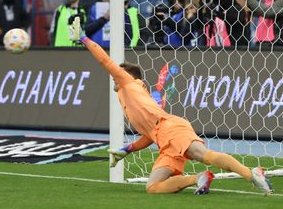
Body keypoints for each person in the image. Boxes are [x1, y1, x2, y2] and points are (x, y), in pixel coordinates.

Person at [69, 17, 273, 195]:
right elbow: (150, 134)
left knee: (204, 155)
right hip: (164, 140)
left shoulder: (129, 84)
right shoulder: (131, 98)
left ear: (129, 77)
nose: (115, 78)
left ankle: (251, 174)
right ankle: (199, 178)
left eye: (119, 75)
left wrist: (84, 39)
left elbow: (105, 61)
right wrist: (127, 149)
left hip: (172, 129)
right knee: (153, 186)